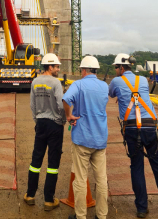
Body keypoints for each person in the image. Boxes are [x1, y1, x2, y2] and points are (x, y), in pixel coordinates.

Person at [109, 53, 158, 218]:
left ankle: (141, 208)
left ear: (120, 67)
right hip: (151, 125)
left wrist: (122, 96)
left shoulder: (116, 81)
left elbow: (112, 94)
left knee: (137, 166)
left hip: (132, 128)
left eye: (115, 68)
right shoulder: (143, 80)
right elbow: (139, 95)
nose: (115, 70)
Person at [63, 56, 109, 219]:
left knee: (81, 180)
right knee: (102, 180)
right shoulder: (104, 86)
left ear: (83, 70)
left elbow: (66, 99)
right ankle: (102, 215)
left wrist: (69, 116)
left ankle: (80, 215)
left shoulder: (78, 84)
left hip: (82, 139)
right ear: (95, 70)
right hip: (100, 139)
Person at [24, 53, 66, 212]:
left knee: (36, 161)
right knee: (53, 164)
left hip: (40, 124)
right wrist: (62, 121)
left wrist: (37, 121)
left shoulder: (35, 81)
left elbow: (32, 105)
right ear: (50, 67)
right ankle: (49, 200)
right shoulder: (56, 83)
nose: (58, 69)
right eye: (56, 66)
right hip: (55, 125)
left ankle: (30, 195)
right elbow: (61, 105)